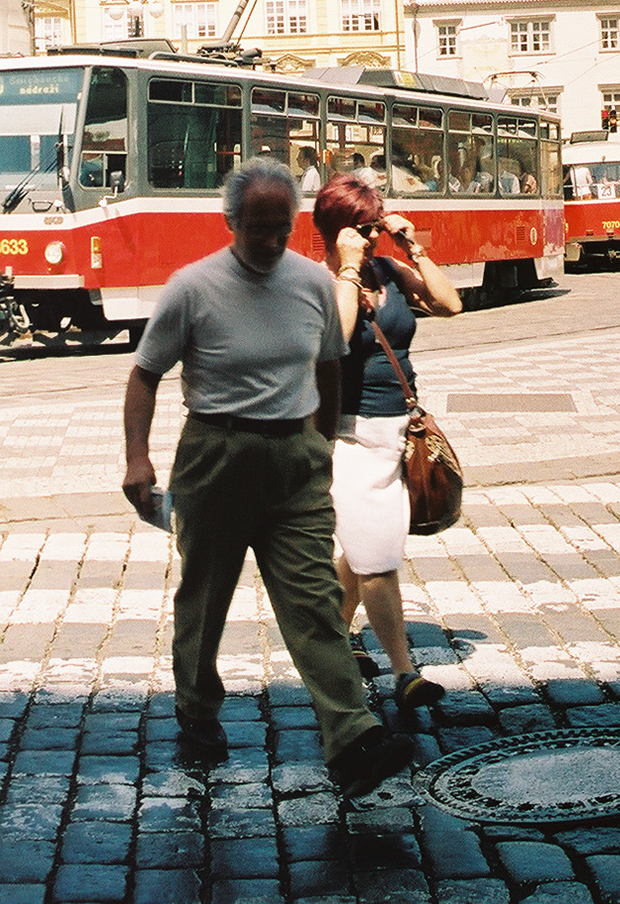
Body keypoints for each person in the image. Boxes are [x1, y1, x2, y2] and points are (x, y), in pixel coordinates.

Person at [121, 158, 413, 798]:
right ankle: (197, 712)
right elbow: (145, 374)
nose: (271, 242)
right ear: (231, 223)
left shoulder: (311, 282)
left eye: (282, 228)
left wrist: (320, 439)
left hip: (294, 461)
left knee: (313, 600)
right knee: (204, 596)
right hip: (215, 455)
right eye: (258, 229)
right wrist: (138, 457)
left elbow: (330, 366)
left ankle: (352, 735)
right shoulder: (193, 288)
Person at [312, 174, 462, 709]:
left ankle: (328, 636)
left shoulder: (390, 271)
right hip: (347, 436)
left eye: (374, 227)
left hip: (401, 431)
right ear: (334, 229)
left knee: (363, 544)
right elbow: (335, 337)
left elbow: (451, 304)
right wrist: (348, 269)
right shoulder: (318, 281)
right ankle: (405, 673)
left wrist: (412, 247)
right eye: (360, 228)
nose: (370, 237)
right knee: (376, 556)